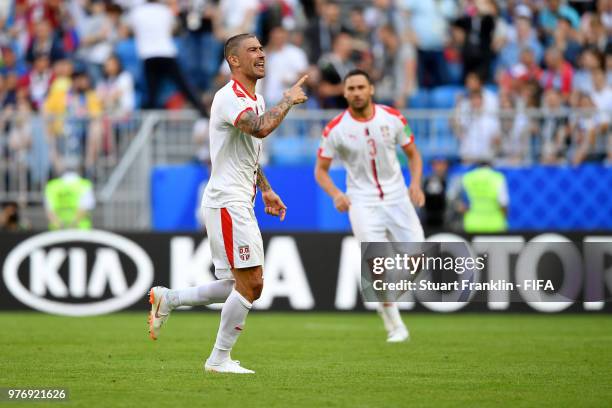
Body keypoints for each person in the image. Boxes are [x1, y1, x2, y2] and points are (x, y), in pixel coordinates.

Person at [147, 33, 308, 374]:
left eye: (262, 48)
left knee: (237, 284)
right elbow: (261, 130)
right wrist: (289, 100)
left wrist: (265, 188)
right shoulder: (230, 97)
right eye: (252, 50)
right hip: (227, 202)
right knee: (254, 284)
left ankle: (169, 299)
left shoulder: (255, 98)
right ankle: (218, 359)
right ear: (234, 60)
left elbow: (249, 150)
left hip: (239, 199)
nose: (261, 54)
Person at [314, 69, 425, 343]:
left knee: (419, 257)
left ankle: (384, 296)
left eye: (361, 87)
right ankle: (395, 326)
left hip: (397, 196)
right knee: (377, 264)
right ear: (345, 92)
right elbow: (320, 171)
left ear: (371, 89)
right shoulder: (335, 129)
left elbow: (413, 154)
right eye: (351, 88)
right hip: (362, 201)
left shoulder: (394, 118)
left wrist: (417, 183)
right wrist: (336, 194)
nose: (356, 92)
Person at [129, 0, 206, 115]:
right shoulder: (165, 10)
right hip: (166, 52)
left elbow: (131, 30)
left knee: (152, 93)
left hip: (148, 55)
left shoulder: (136, 12)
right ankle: (203, 112)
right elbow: (173, 29)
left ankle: (149, 123)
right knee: (183, 86)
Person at [459, 162, 509, 233]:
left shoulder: (467, 177)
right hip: (495, 224)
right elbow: (504, 203)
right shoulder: (498, 177)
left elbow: (462, 205)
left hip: (472, 223)